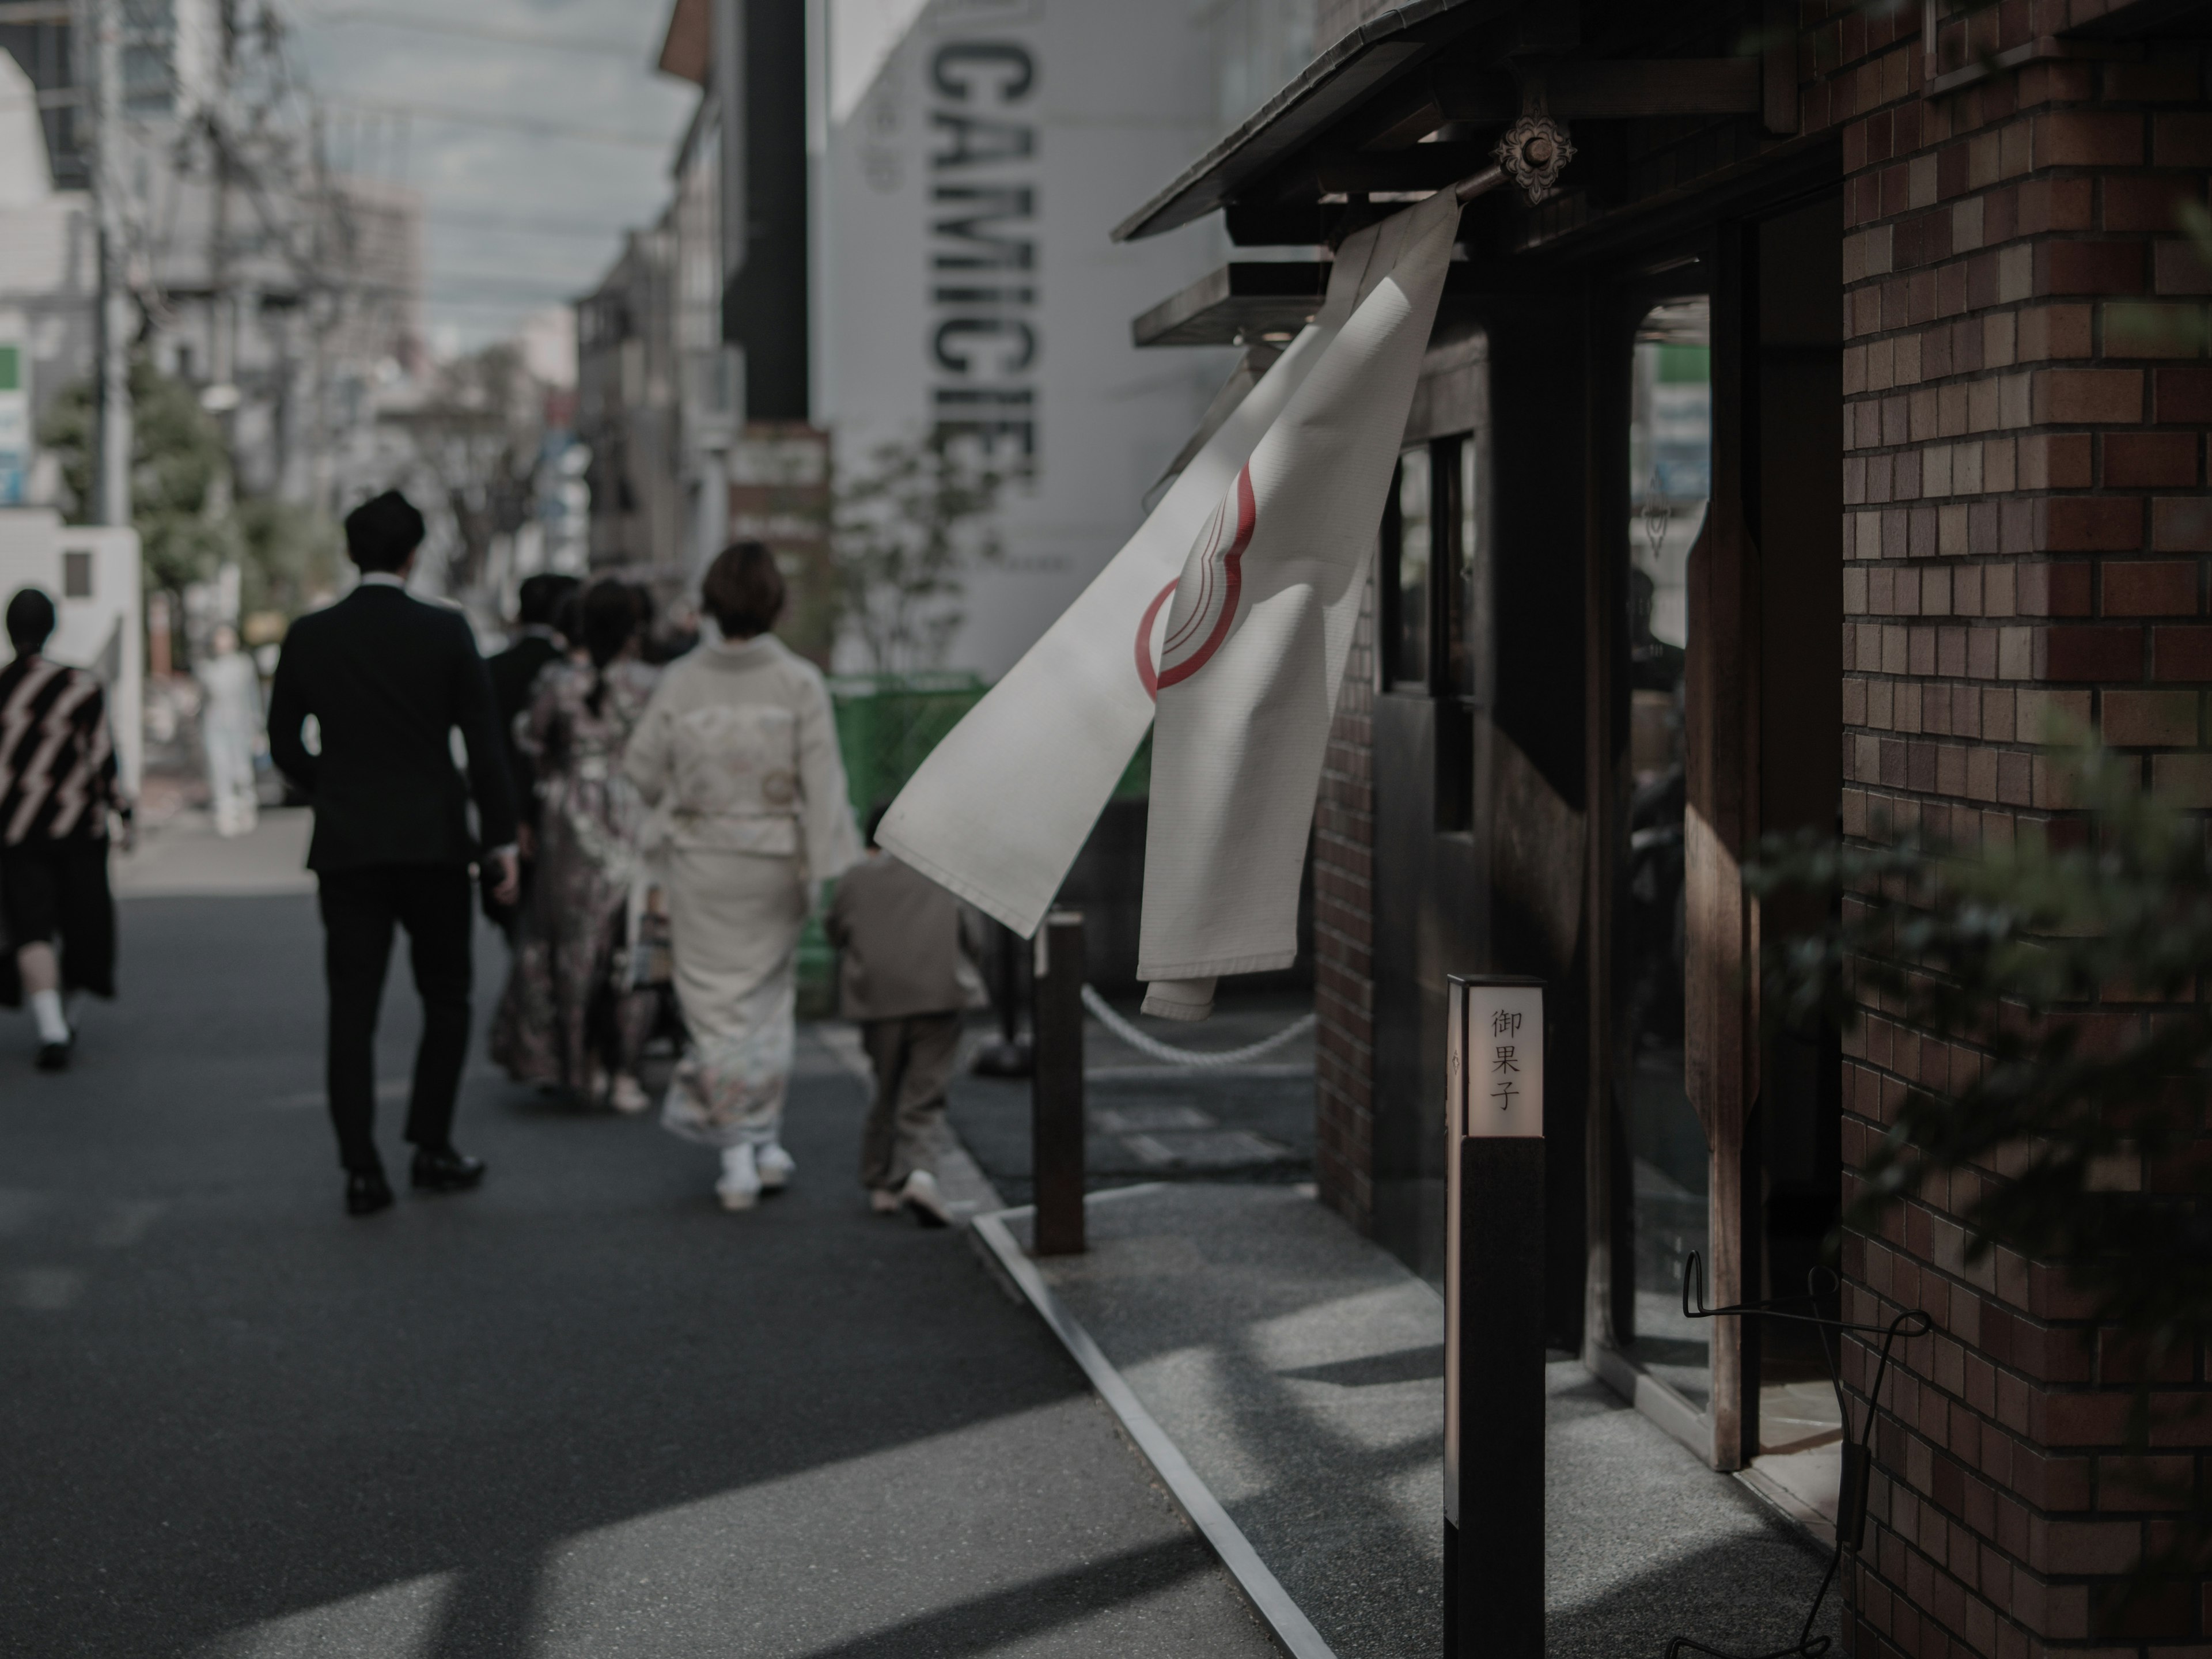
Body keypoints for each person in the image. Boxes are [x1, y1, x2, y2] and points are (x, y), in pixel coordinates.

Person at [266, 491, 520, 1218]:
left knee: (353, 1008)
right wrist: (500, 837)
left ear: (353, 553)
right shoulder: (445, 631)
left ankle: (361, 1169)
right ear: (414, 555)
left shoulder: (312, 635)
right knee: (446, 997)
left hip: (348, 845)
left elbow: (286, 744)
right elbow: (484, 745)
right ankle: (431, 1146)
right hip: (435, 840)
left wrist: (334, 788)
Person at [624, 541, 860, 1211]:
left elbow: (641, 773)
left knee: (714, 1012)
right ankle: (765, 1142)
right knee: (766, 1002)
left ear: (710, 606)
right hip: (776, 864)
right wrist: (828, 872)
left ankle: (736, 1156)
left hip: (701, 862)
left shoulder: (682, 681)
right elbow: (824, 787)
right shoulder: (798, 683)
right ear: (776, 605)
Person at [490, 579, 661, 1111]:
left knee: (573, 945)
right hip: (638, 816)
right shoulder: (652, 684)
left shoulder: (559, 682)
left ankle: (577, 1064)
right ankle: (627, 1072)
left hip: (572, 820)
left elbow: (531, 741)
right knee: (638, 944)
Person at [825, 821, 987, 1226]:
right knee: (925, 1092)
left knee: (887, 1086)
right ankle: (919, 1175)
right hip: (940, 994)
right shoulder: (945, 872)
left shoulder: (855, 878)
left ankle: (881, 1183)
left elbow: (835, 930)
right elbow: (974, 936)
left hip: (878, 999)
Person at [0, 587, 130, 1071]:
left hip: (14, 830)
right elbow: (101, 757)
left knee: (30, 927)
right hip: (77, 828)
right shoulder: (81, 686)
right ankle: (65, 1018)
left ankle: (50, 1024)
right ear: (52, 627)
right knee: (84, 927)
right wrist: (122, 809)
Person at [485, 573, 578, 932]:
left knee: (520, 924)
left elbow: (485, 751)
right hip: (570, 816)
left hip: (507, 809)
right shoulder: (571, 674)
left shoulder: (492, 669)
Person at [196, 623, 263, 838]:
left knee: (242, 769)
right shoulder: (206, 667)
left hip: (240, 724)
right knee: (220, 769)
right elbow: (201, 701)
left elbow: (252, 697)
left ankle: (246, 806)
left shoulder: (244, 665)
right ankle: (225, 812)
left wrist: (258, 728)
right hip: (215, 725)